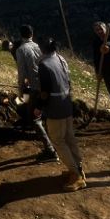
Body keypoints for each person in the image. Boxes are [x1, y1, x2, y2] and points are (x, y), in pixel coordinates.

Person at [34, 37, 85, 191]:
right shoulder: (60, 58)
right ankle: (79, 168)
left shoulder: (43, 65)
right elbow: (68, 81)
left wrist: (39, 107)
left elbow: (45, 92)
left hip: (55, 107)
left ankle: (75, 175)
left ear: (42, 49)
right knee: (69, 138)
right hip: (66, 103)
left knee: (58, 141)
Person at [14, 25, 57, 161]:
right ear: (32, 34)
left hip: (35, 87)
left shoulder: (21, 50)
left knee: (34, 117)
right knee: (45, 115)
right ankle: (56, 143)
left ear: (21, 35)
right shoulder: (39, 46)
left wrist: (20, 89)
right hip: (48, 86)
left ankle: (50, 149)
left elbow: (21, 72)